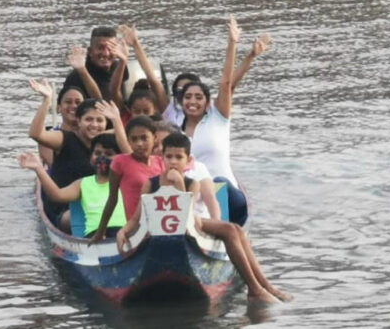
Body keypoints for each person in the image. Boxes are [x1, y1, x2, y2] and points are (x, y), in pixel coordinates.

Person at [116, 132, 289, 303]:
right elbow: (137, 217)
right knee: (231, 229)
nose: (173, 161)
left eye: (179, 157)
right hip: (159, 228)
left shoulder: (192, 183)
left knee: (234, 229)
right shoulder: (151, 183)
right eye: (169, 156)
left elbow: (188, 216)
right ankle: (256, 288)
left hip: (191, 223)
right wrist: (123, 231)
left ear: (188, 160)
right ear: (162, 158)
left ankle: (262, 286)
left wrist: (179, 183)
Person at [163, 16, 252, 225]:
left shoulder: (218, 118)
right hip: (195, 197)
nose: (192, 102)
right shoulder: (175, 127)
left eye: (198, 97)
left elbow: (226, 82)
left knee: (218, 182)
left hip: (227, 195)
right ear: (181, 101)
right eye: (187, 97)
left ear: (207, 102)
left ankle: (221, 228)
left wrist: (232, 43)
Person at [28, 79, 130, 230]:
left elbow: (130, 157)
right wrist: (47, 100)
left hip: (99, 203)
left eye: (99, 120)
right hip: (66, 207)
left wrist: (116, 120)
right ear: (79, 121)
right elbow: (36, 134)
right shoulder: (65, 138)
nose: (94, 125)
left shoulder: (109, 139)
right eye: (88, 119)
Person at [18, 133, 127, 238]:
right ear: (91, 158)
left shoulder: (126, 180)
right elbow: (57, 195)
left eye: (108, 154)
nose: (102, 158)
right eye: (97, 153)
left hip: (123, 232)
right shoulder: (83, 183)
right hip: (95, 235)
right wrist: (39, 169)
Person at [90, 116, 164, 242]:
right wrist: (100, 233)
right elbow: (112, 198)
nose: (139, 144)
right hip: (136, 228)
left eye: (144, 138)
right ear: (128, 141)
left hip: (162, 225)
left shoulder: (161, 162)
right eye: (134, 139)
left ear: (155, 138)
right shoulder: (120, 162)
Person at [108, 25, 168, 122]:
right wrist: (122, 62)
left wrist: (136, 44)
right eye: (137, 111)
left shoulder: (161, 120)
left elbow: (153, 80)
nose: (141, 116)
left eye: (146, 111)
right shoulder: (125, 118)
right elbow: (114, 90)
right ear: (129, 110)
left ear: (155, 110)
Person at [63, 26, 125, 100]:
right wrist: (83, 72)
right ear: (90, 51)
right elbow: (100, 105)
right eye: (100, 48)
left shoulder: (120, 67)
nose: (106, 54)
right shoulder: (76, 77)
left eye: (110, 48)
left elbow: (122, 105)